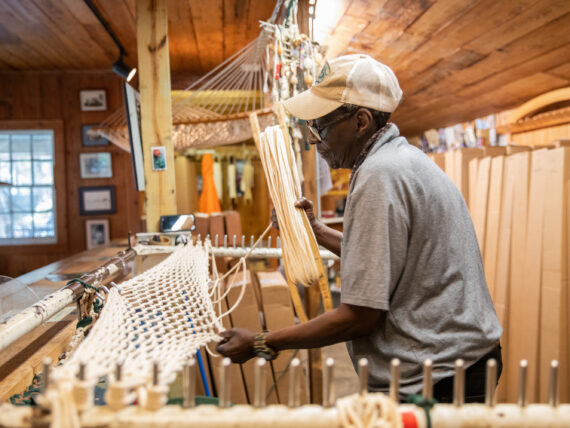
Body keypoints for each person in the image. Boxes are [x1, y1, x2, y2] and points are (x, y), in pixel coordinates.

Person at [216, 54, 502, 402]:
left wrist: (263, 342)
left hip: (438, 375)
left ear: (361, 121)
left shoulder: (379, 176)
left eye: (319, 128)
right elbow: (385, 258)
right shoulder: (401, 161)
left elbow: (359, 316)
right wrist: (315, 230)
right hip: (460, 362)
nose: (313, 141)